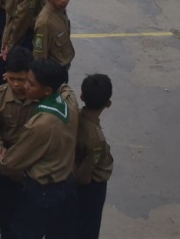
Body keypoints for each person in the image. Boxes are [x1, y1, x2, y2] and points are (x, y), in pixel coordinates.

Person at [0, 59, 80, 239]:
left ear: (47, 91)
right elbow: (66, 88)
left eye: (31, 84)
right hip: (67, 185)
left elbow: (12, 161)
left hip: (43, 193)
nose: (25, 86)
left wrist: (0, 161)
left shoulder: (41, 125)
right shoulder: (69, 103)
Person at [0, 48, 37, 239]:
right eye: (11, 78)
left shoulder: (40, 99)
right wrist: (2, 154)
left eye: (21, 80)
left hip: (30, 168)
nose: (15, 84)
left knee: (27, 220)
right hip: (2, 165)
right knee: (3, 214)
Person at [73, 74, 113, 239]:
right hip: (90, 189)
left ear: (81, 96)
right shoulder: (96, 140)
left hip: (70, 179)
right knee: (87, 228)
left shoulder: (74, 117)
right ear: (108, 103)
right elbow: (84, 176)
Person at [33, 0, 75, 69]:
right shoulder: (45, 22)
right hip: (54, 72)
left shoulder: (60, 10)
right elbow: (40, 59)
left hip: (64, 66)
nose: (64, 0)